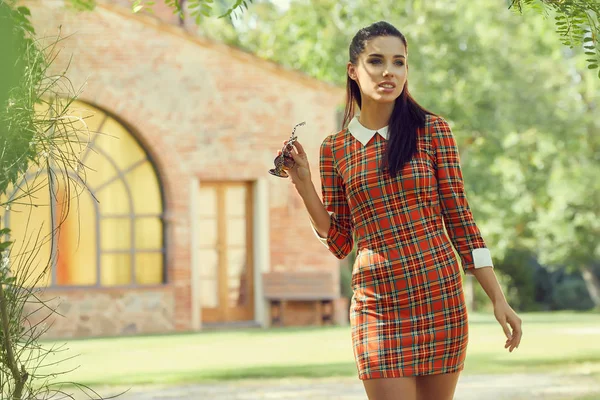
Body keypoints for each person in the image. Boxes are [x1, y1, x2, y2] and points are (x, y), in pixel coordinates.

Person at [279, 21, 523, 400]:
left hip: (439, 294)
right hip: (377, 304)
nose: (388, 72)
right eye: (376, 61)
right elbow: (341, 242)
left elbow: (461, 222)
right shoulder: (335, 149)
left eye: (399, 62)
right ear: (353, 70)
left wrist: (498, 297)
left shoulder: (434, 132)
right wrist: (304, 183)